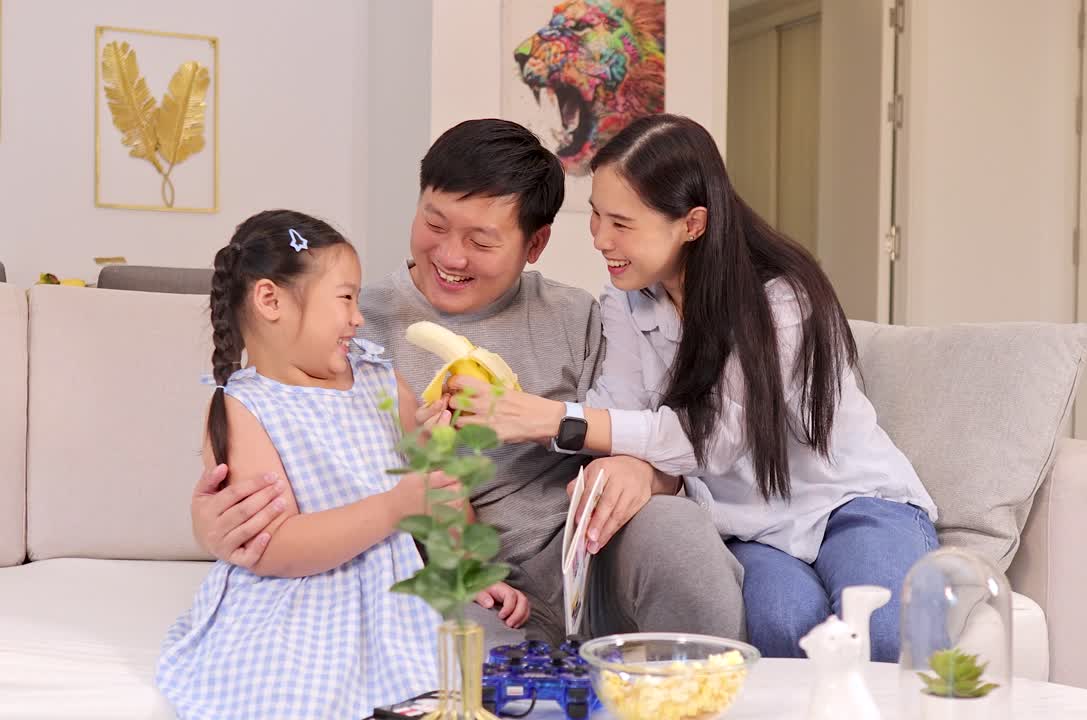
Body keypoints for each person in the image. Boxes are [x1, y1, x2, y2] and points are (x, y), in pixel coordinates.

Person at [188, 119, 746, 645]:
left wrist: (643, 471)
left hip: (584, 556)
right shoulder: (345, 324)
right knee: (451, 646)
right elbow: (276, 436)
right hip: (447, 576)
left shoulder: (580, 317)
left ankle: (707, 694)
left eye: (481, 242)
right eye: (434, 224)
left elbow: (658, 431)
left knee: (674, 529)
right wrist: (218, 528)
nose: (450, 255)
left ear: (535, 244)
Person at [447, 114, 939, 660]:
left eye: (622, 223)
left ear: (692, 223)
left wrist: (549, 418)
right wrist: (622, 459)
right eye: (594, 216)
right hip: (747, 527)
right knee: (781, 630)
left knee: (890, 635)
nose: (600, 239)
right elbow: (619, 412)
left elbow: (716, 440)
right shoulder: (628, 302)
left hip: (848, 501)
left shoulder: (781, 303)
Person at [157, 210, 467, 719]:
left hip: (392, 605)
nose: (358, 317)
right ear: (270, 300)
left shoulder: (379, 381)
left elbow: (436, 497)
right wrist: (397, 505)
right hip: (298, 606)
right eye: (345, 298)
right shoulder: (245, 408)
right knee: (291, 698)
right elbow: (273, 547)